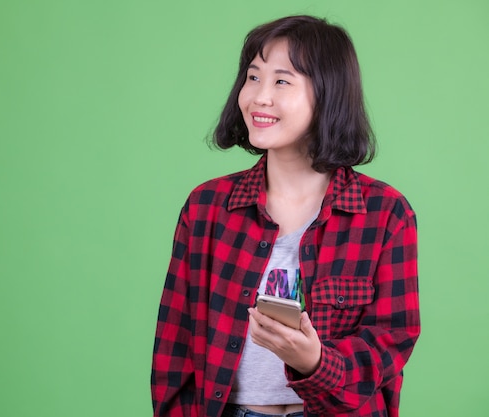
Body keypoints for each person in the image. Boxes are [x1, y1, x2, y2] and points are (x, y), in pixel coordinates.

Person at [151, 15, 420, 417]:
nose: (258, 97)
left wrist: (315, 362)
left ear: (328, 95)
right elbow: (175, 347)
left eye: (281, 81)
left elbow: (391, 341)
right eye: (253, 77)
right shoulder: (207, 207)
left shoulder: (385, 214)